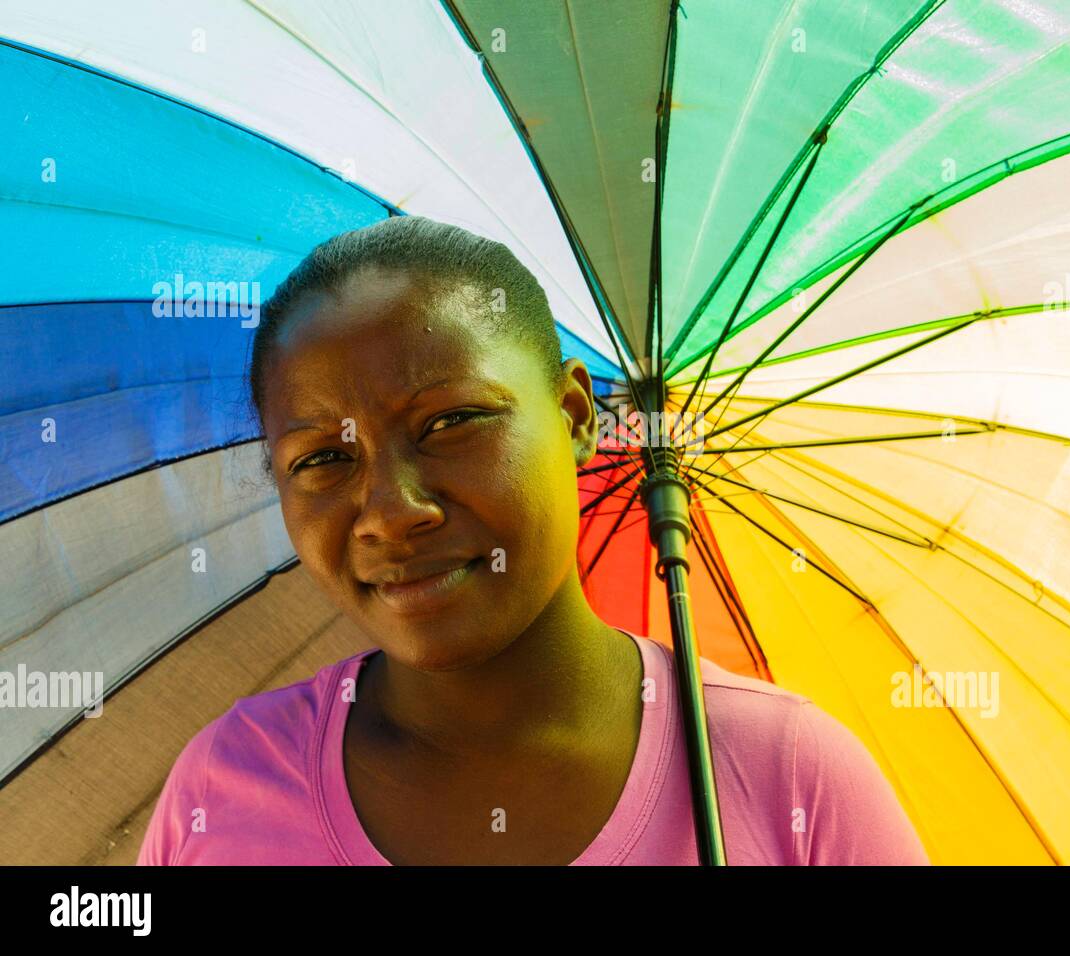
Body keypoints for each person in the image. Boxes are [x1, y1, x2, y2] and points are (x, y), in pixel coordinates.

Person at [135, 216, 930, 866]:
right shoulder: (224, 790)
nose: (390, 511)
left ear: (576, 417)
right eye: (322, 460)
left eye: (450, 422)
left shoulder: (786, 778)